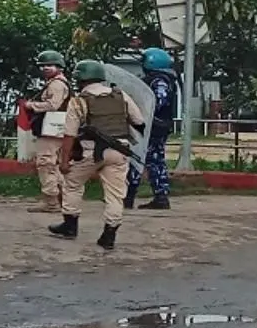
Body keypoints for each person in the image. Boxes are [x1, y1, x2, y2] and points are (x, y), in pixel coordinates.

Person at [50, 60, 145, 249]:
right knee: (116, 195)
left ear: (80, 79)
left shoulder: (79, 101)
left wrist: (64, 161)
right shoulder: (120, 95)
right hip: (119, 150)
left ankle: (70, 225)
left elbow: (69, 135)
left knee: (72, 183)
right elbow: (139, 121)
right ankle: (109, 234)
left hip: (89, 151)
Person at [125, 47, 178, 212]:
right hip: (155, 126)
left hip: (153, 128)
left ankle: (130, 196)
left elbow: (157, 102)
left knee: (139, 159)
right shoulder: (161, 79)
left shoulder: (159, 81)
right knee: (152, 161)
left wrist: (141, 114)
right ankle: (158, 196)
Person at [23, 50, 71, 214]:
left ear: (59, 67)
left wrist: (32, 106)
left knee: (45, 163)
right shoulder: (57, 83)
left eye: (50, 65)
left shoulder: (57, 84)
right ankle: (63, 199)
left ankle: (51, 201)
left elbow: (53, 105)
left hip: (51, 129)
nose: (45, 68)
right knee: (53, 165)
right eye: (43, 66)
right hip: (57, 128)